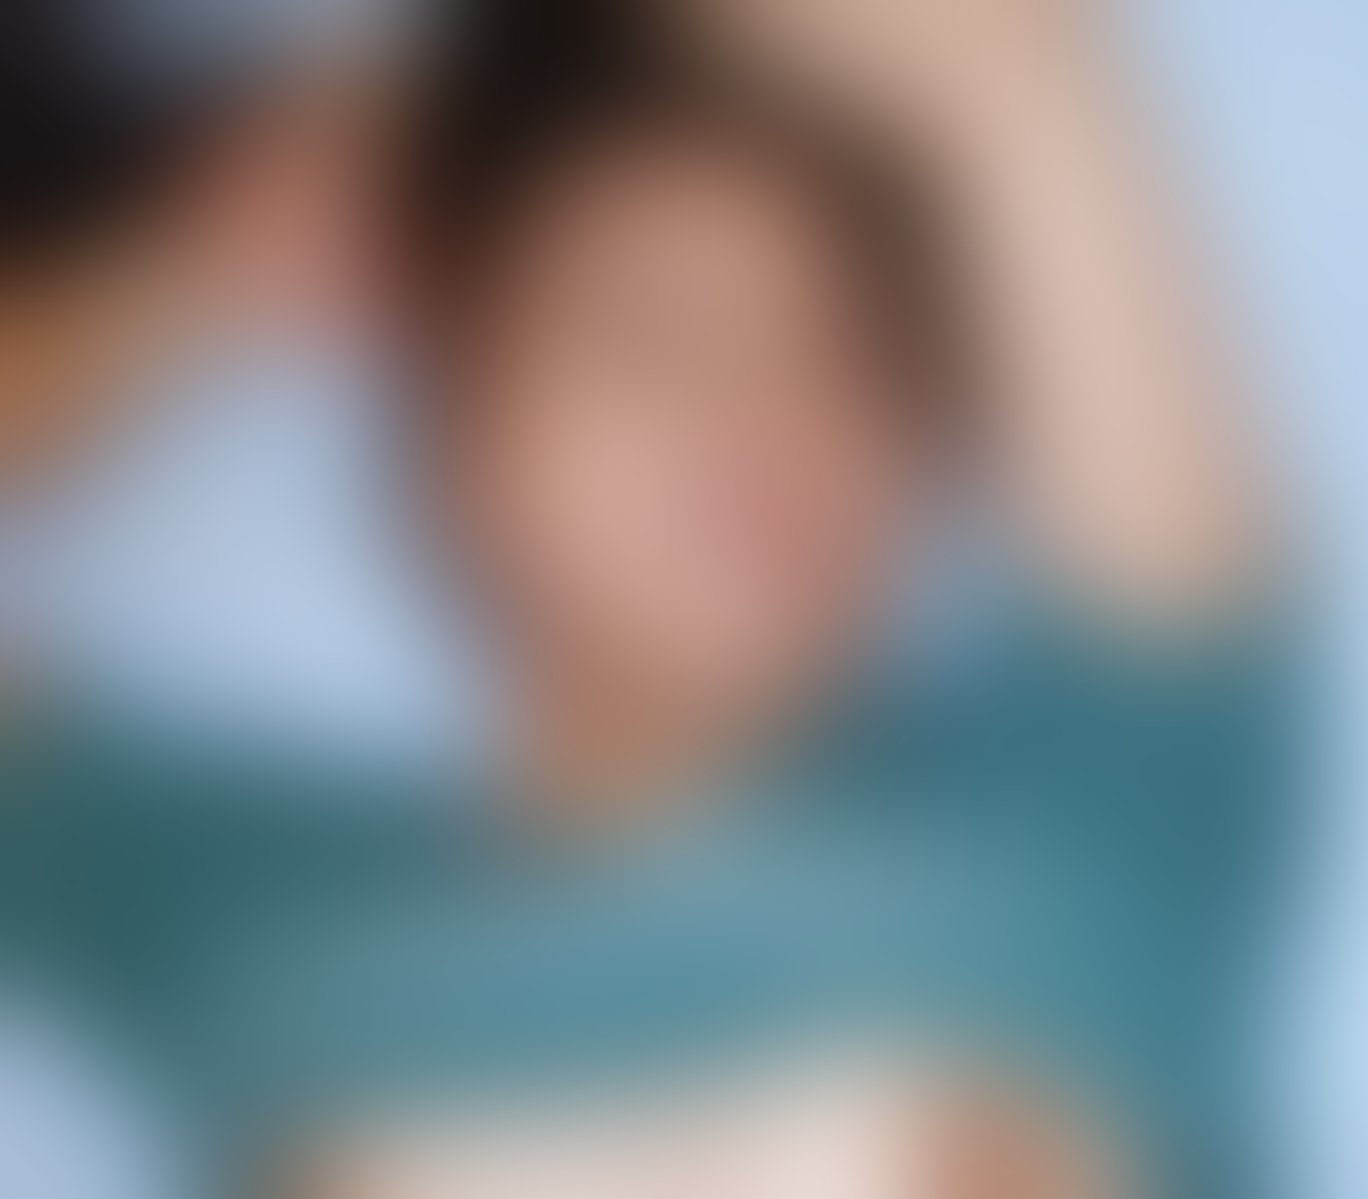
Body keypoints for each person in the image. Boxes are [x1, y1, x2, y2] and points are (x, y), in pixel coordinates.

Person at [6, 2, 1292, 1195]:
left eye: (850, 349)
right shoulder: (228, 901)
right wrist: (197, 257)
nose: (767, 414)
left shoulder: (1099, 796)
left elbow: (1016, 68)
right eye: (647, 333)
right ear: (450, 447)